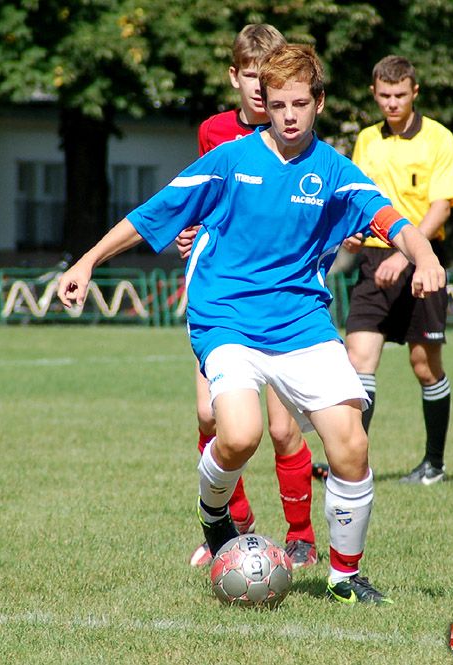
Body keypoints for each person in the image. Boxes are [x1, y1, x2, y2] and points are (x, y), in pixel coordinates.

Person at [58, 44, 446, 604]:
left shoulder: (334, 170)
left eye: (299, 104)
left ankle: (345, 577)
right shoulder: (231, 160)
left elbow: (394, 221)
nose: (288, 115)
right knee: (239, 435)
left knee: (350, 445)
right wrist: (88, 260)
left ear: (319, 103)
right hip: (227, 317)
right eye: (279, 104)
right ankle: (214, 514)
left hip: (300, 321)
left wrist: (425, 255)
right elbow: (152, 214)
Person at [176, 24, 319, 571]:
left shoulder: (296, 136)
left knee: (283, 428)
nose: (263, 91)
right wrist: (189, 230)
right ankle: (235, 530)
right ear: (235, 76)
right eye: (254, 78)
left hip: (282, 298)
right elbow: (200, 194)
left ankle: (302, 535)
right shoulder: (214, 132)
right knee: (210, 415)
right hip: (220, 293)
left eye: (272, 80)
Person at [340, 55, 453, 485]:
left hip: (422, 261)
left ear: (415, 93)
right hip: (374, 260)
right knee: (358, 360)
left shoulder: (439, 139)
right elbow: (358, 200)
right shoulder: (367, 141)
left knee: (424, 365)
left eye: (400, 95)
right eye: (385, 95)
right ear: (374, 94)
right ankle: (354, 465)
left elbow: (442, 205)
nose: (392, 103)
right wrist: (352, 233)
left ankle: (434, 464)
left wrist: (407, 253)